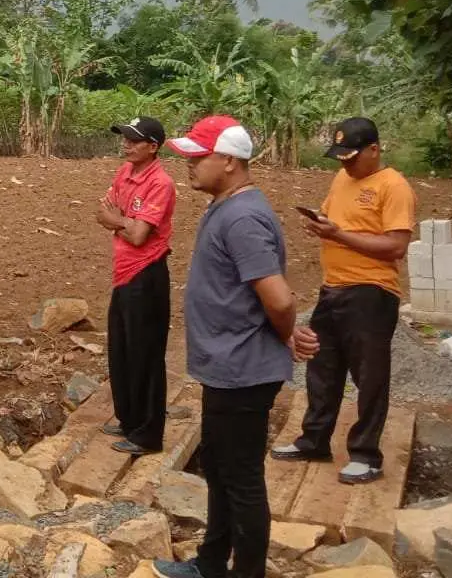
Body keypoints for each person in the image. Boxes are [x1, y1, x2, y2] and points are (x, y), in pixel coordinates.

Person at [150, 116, 318, 578]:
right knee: (221, 470)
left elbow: (279, 298)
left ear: (228, 161)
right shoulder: (226, 206)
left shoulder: (243, 218)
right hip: (227, 367)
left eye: (197, 157)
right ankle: (209, 565)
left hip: (244, 369)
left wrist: (286, 333)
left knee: (241, 480)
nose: (188, 165)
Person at [271, 117, 414, 485]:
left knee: (369, 376)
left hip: (371, 292)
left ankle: (366, 455)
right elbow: (336, 222)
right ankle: (314, 440)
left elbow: (396, 246)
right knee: (322, 367)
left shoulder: (392, 186)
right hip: (332, 288)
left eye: (351, 157)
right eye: (340, 157)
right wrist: (321, 226)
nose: (345, 164)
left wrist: (340, 235)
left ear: (374, 150)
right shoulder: (341, 179)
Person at [96, 116, 177, 456]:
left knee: (146, 355)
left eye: (134, 140)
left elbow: (140, 236)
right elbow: (102, 214)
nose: (126, 144)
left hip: (147, 274)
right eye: (125, 138)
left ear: (153, 147)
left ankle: (148, 434)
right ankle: (128, 419)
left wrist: (120, 221)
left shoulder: (161, 183)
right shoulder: (124, 173)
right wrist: (123, 223)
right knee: (122, 350)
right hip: (123, 273)